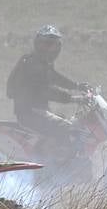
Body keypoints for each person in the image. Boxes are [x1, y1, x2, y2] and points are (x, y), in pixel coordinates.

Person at [5, 25, 89, 160]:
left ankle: (55, 160)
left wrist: (76, 86)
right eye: (46, 44)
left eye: (53, 45)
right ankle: (53, 166)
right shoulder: (33, 64)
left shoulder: (40, 62)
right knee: (66, 127)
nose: (50, 48)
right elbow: (46, 91)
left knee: (65, 121)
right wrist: (74, 99)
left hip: (35, 110)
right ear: (38, 44)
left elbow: (54, 77)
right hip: (30, 112)